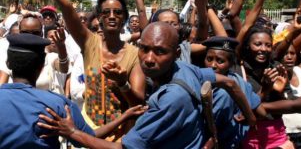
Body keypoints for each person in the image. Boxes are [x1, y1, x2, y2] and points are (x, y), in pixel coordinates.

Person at [37, 22, 256, 148]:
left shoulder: (171, 99)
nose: (149, 58)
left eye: (160, 51)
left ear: (177, 53)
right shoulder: (187, 69)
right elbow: (229, 83)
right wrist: (250, 116)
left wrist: (72, 132)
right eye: (144, 48)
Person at [3, 0, 146, 139]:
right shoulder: (89, 43)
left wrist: (122, 83)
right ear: (99, 18)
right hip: (87, 128)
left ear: (125, 18)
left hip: (122, 135)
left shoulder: (134, 54)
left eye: (118, 12)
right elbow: (66, 6)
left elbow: (138, 102)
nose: (112, 16)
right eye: (106, 12)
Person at [0, 33, 95, 148]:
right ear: (41, 66)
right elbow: (90, 138)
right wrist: (122, 118)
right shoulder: (58, 104)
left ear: (7, 63)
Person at [202, 36, 265, 149]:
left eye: (220, 61)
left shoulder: (222, 92)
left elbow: (208, 126)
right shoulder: (239, 80)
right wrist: (248, 115)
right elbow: (261, 112)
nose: (213, 65)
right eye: (209, 59)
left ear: (231, 64)